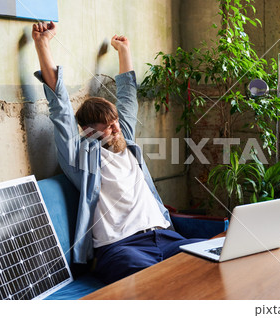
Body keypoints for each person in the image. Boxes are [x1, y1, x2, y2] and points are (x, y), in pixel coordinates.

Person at [32, 21, 202, 284]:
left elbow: (127, 97)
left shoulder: (128, 144)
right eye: (108, 125)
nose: (116, 128)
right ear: (89, 132)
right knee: (154, 284)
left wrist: (124, 51)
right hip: (122, 248)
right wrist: (43, 44)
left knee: (214, 257)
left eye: (116, 122)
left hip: (165, 236)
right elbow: (61, 109)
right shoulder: (81, 158)